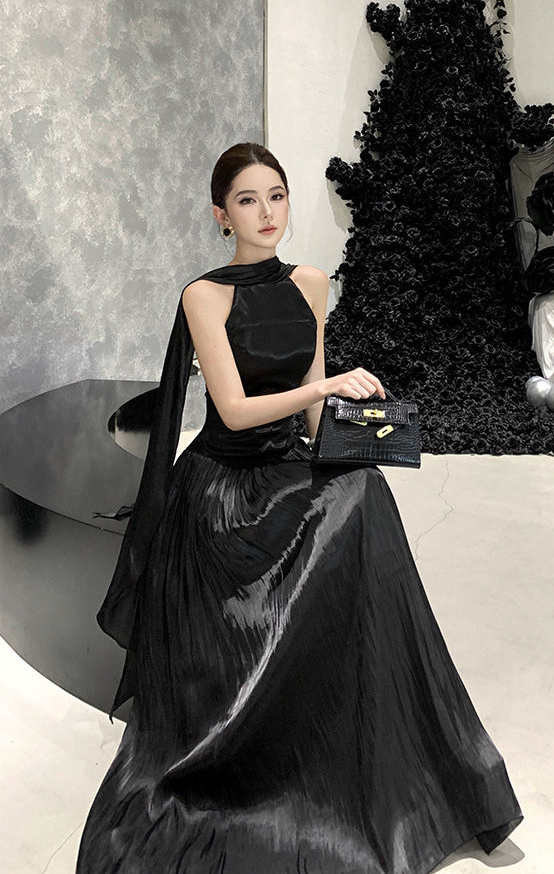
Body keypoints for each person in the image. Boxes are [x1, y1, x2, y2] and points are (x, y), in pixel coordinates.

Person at [76, 143, 522, 873]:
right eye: (247, 200)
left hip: (284, 463)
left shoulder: (310, 283)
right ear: (222, 216)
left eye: (276, 196)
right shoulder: (204, 296)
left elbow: (313, 416)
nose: (266, 213)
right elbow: (234, 410)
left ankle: (370, 729)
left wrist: (371, 433)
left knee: (365, 495)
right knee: (339, 508)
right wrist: (325, 388)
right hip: (222, 486)